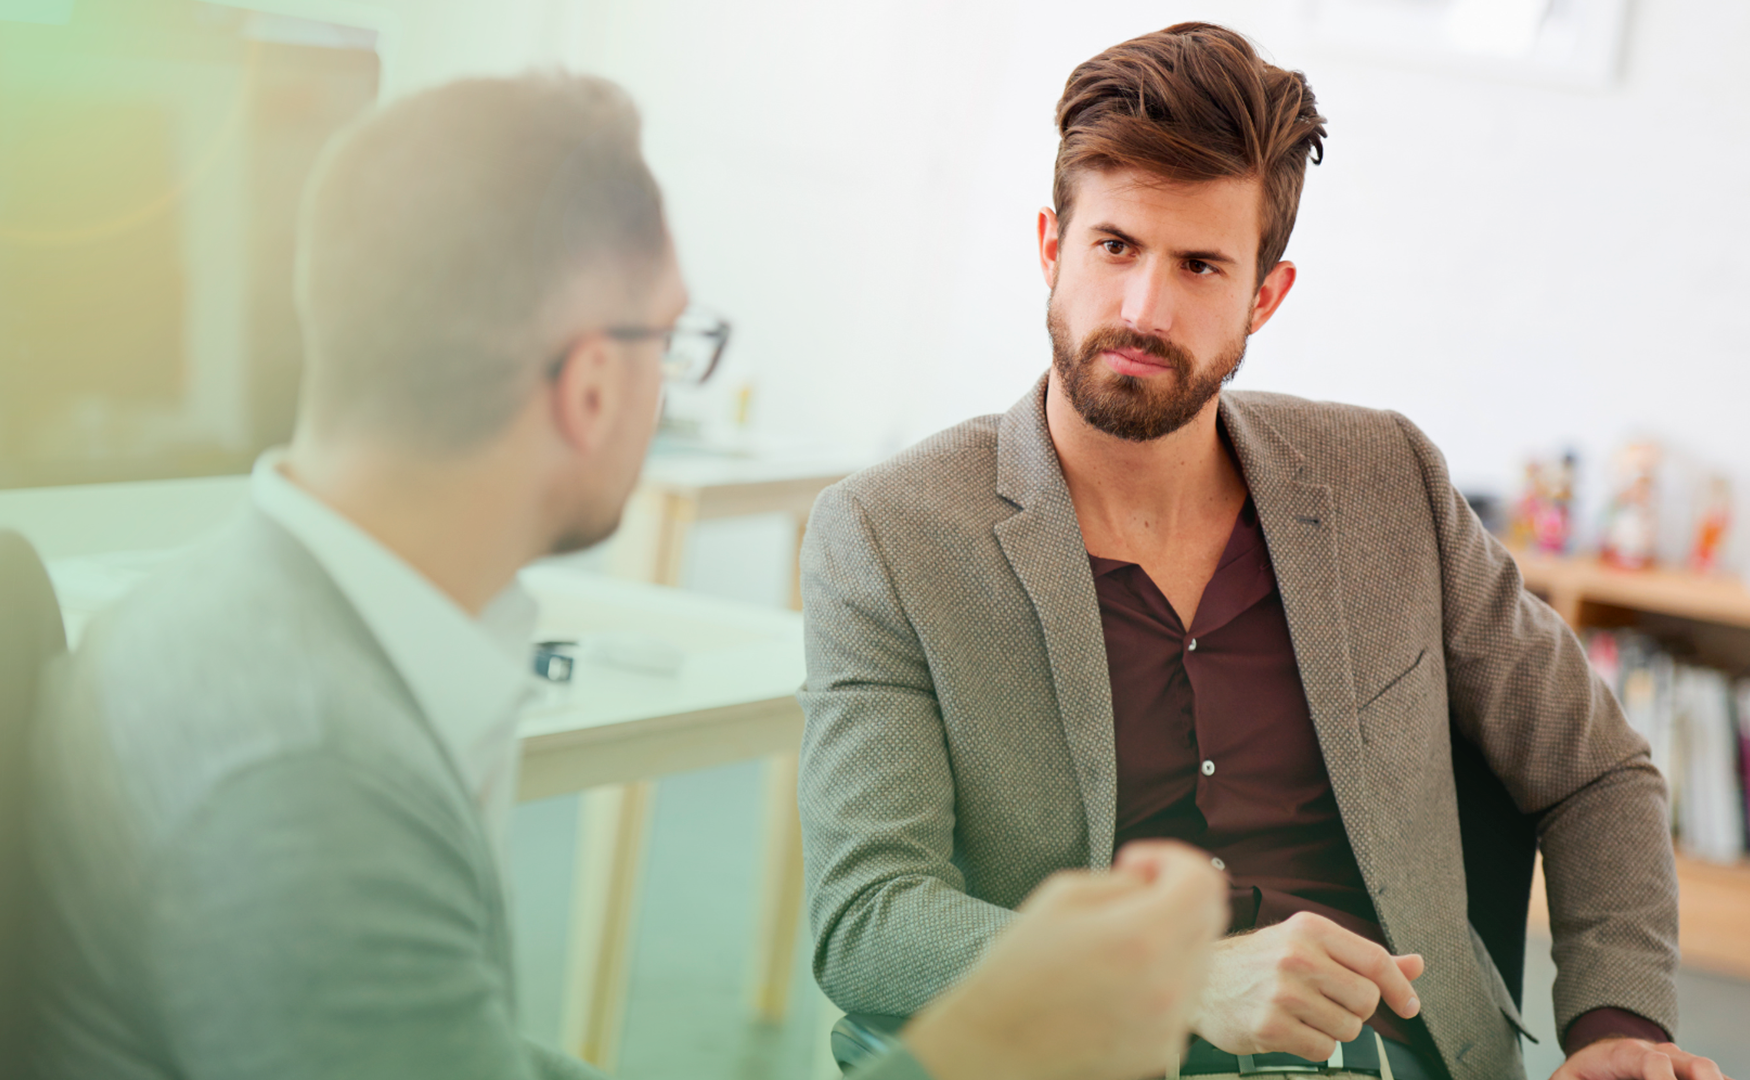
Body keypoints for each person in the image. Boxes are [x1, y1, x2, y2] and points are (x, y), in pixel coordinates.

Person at [26, 74, 1227, 1080]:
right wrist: (995, 1044)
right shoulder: (303, 776)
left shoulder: (246, 625)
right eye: (671, 340)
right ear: (591, 384)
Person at [797, 22, 1730, 1080]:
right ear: (1052, 248)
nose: (1142, 308)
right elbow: (867, 920)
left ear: (1264, 297)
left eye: (1199, 265)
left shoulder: (1385, 480)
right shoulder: (889, 534)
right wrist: (1179, 979)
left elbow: (1593, 766)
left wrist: (1618, 1025)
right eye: (1114, 248)